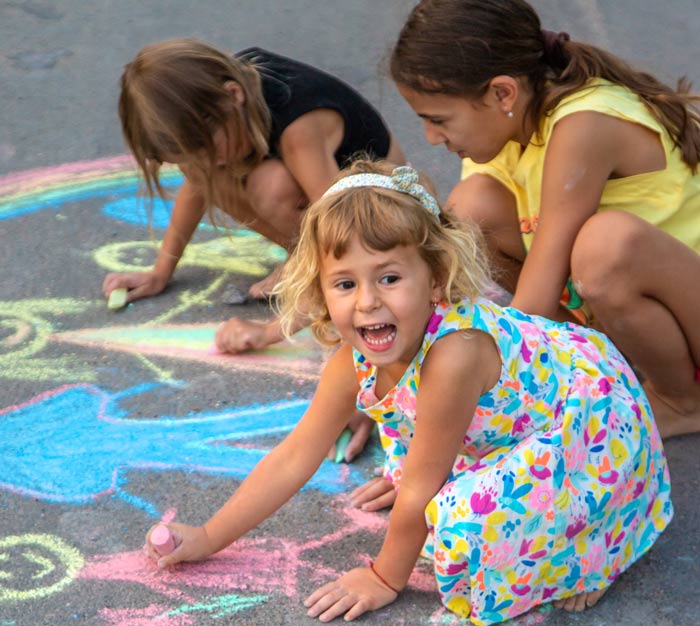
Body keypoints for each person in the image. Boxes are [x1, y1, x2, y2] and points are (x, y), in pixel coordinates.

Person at [146, 160, 672, 624]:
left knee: (464, 516)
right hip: (509, 428)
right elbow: (293, 456)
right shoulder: (350, 361)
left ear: (436, 280)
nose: (368, 302)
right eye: (346, 284)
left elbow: (422, 488)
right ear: (322, 294)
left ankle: (598, 547)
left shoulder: (454, 355)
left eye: (390, 277)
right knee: (426, 485)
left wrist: (383, 577)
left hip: (592, 430)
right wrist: (210, 536)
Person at [389, 0, 700, 439]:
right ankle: (591, 373)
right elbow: (445, 274)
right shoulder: (503, 133)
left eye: (439, 120)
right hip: (659, 313)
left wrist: (461, 414)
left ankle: (682, 400)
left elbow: (541, 282)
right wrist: (396, 383)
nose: (431, 137)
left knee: (604, 246)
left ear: (502, 94)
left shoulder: (583, 124)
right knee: (472, 208)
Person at [102, 38, 405, 355]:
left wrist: (271, 331)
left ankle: (318, 273)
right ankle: (304, 260)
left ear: (234, 96)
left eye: (208, 148)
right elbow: (197, 184)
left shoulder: (299, 124)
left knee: (271, 185)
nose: (207, 164)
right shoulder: (221, 93)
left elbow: (346, 233)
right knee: (212, 175)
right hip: (338, 203)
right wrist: (160, 272)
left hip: (387, 208)